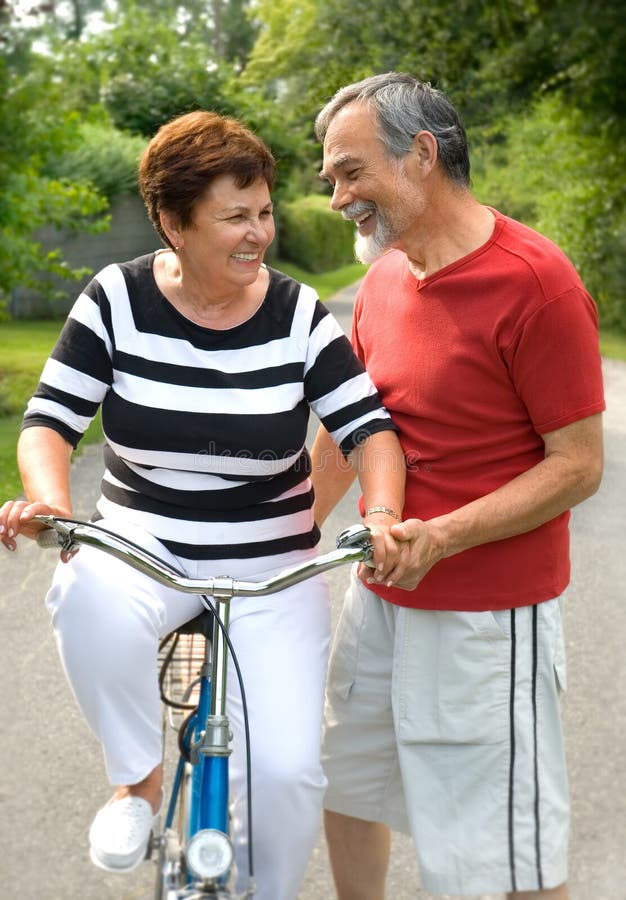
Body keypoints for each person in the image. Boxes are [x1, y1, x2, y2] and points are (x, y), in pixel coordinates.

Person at [0, 110, 408, 900]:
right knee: (83, 593)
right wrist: (52, 506)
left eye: (263, 213)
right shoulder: (115, 298)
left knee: (288, 775)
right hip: (140, 547)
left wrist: (383, 513)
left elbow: (370, 434)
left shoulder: (295, 315)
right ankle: (138, 784)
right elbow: (50, 423)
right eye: (234, 217)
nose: (258, 234)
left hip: (271, 568)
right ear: (172, 222)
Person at [310, 73, 605, 900]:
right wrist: (285, 533)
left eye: (349, 171)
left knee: (506, 851)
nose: (336, 197)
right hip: (379, 601)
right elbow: (353, 429)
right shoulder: (383, 282)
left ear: (422, 156)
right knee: (347, 784)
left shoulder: (536, 282)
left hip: (485, 622)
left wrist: (441, 535)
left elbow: (579, 464)